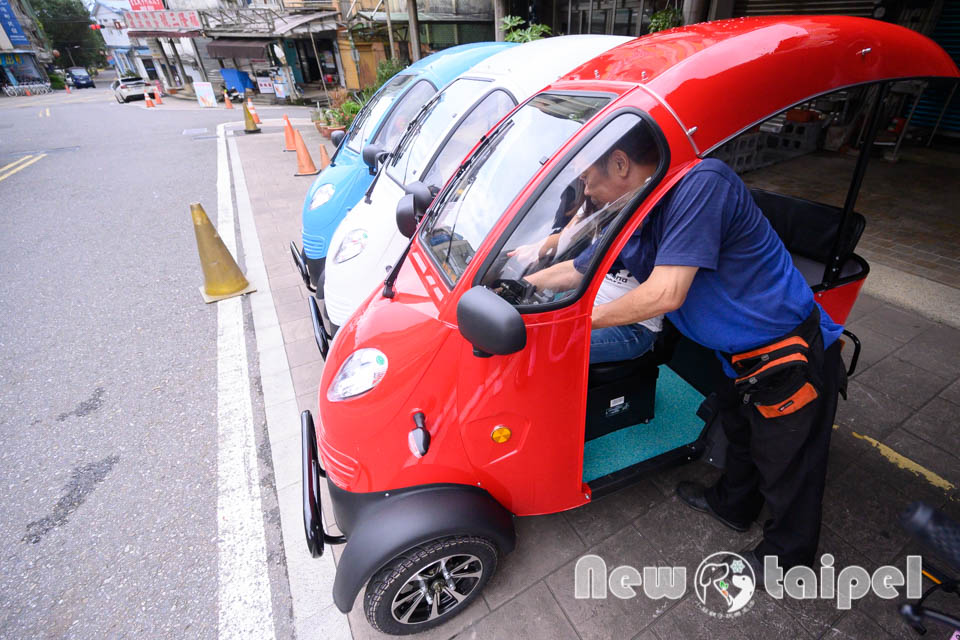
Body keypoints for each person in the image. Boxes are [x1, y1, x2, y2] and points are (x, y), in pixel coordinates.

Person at [525, 122, 846, 579]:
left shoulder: (700, 184)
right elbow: (578, 270)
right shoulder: (634, 207)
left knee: (790, 467)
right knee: (739, 434)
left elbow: (665, 293)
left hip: (785, 355)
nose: (585, 189)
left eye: (588, 177)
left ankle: (787, 560)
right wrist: (517, 291)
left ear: (621, 163)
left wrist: (567, 321)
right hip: (733, 355)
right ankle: (732, 505)